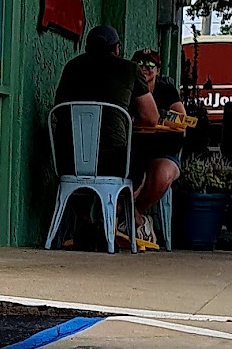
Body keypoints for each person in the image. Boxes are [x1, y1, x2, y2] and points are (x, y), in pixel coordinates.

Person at [51, 27, 145, 247]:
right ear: (117, 49)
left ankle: (84, 220)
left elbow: (59, 109)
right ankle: (112, 217)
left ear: (87, 48)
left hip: (69, 160)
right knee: (139, 161)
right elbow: (151, 117)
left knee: (83, 157)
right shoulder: (129, 69)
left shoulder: (72, 67)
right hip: (112, 164)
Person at [130, 47, 187, 246]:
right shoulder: (127, 86)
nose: (145, 68)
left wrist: (160, 116)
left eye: (150, 65)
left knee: (163, 174)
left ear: (158, 70)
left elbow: (181, 119)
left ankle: (135, 214)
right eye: (140, 64)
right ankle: (132, 220)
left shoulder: (166, 88)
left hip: (163, 148)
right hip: (134, 148)